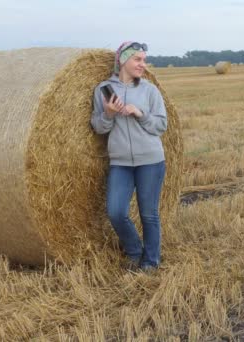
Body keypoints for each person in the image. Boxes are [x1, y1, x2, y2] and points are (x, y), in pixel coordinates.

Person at [91, 41, 167, 272]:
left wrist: (139, 113)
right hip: (120, 162)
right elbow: (98, 127)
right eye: (138, 59)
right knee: (116, 212)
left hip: (151, 161)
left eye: (144, 60)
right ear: (123, 60)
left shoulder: (150, 90)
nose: (143, 65)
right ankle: (135, 252)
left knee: (149, 214)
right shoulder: (102, 89)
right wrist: (108, 114)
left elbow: (161, 125)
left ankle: (150, 261)